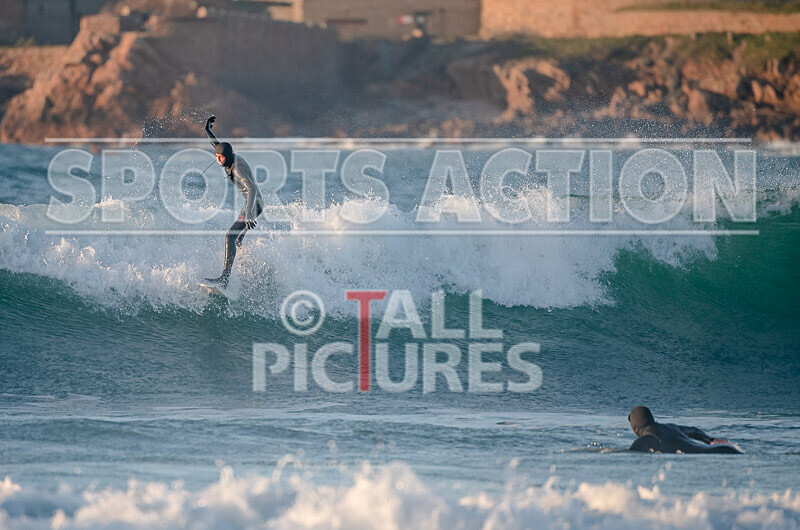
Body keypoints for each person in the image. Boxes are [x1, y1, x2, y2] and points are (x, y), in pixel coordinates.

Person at [203, 116, 264, 288]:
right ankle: (245, 271)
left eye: (220, 158)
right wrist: (208, 131)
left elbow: (251, 189)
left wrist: (250, 214)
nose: (217, 160)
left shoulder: (238, 169)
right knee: (236, 240)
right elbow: (217, 146)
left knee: (230, 235)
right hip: (250, 204)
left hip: (254, 204)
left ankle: (224, 279)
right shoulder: (226, 156)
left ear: (226, 157)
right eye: (217, 157)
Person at [627, 406, 742, 454]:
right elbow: (693, 430)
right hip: (722, 449)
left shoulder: (645, 440)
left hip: (705, 454)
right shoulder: (670, 427)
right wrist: (710, 439)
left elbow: (630, 453)